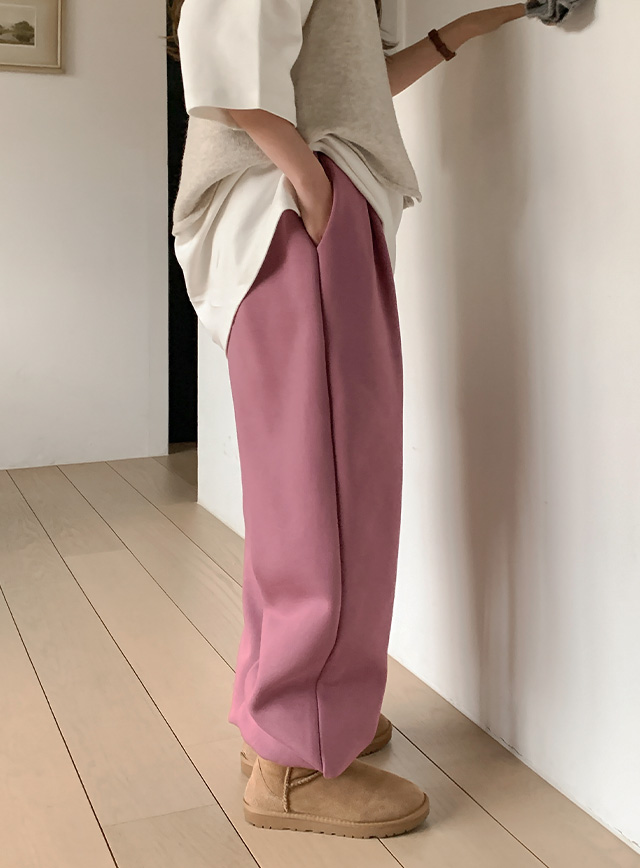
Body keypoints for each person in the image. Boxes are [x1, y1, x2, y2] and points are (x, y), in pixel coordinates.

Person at [169, 0, 527, 839]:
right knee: (329, 496)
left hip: (299, 208)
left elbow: (345, 85)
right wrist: (313, 187)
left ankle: (289, 715)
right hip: (292, 214)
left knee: (309, 493)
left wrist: (456, 34)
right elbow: (218, 52)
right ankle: (296, 761)